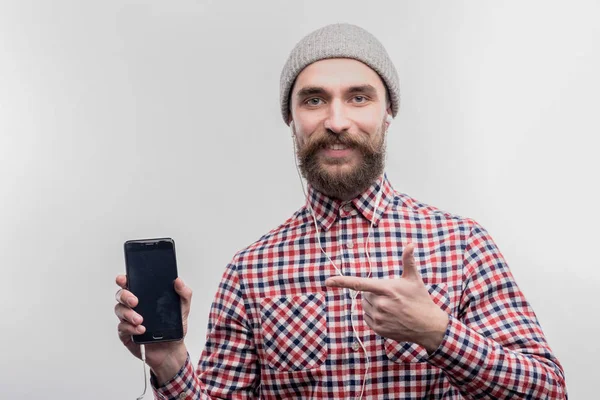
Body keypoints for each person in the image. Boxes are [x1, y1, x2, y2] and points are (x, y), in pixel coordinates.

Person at [114, 23, 567, 399]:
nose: (335, 120)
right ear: (291, 118)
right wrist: (170, 364)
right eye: (313, 100)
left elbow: (550, 391)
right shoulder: (249, 271)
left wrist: (439, 333)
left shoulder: (463, 245)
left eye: (359, 97)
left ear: (387, 112)